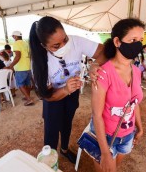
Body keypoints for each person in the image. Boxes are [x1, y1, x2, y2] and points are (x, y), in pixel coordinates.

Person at [29, 16, 106, 163]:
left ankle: (64, 149)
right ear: (44, 46)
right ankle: (50, 159)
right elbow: (47, 95)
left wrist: (95, 65)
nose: (63, 46)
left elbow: (103, 51)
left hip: (72, 94)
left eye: (64, 39)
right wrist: (64, 89)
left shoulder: (76, 41)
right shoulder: (39, 61)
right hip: (53, 99)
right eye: (56, 46)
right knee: (51, 130)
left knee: (67, 123)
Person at [91, 18, 144, 172]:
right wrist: (105, 152)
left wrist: (139, 127)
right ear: (117, 41)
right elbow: (96, 114)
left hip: (127, 134)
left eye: (141, 40)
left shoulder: (136, 71)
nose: (138, 45)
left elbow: (134, 104)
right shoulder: (103, 73)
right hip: (106, 137)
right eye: (133, 40)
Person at [7, 31, 34, 106]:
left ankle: (29, 99)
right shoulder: (25, 43)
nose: (13, 38)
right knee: (27, 83)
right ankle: (27, 96)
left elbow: (17, 56)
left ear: (16, 36)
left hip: (20, 68)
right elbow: (30, 54)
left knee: (20, 84)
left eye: (13, 36)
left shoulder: (16, 43)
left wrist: (11, 65)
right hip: (28, 66)